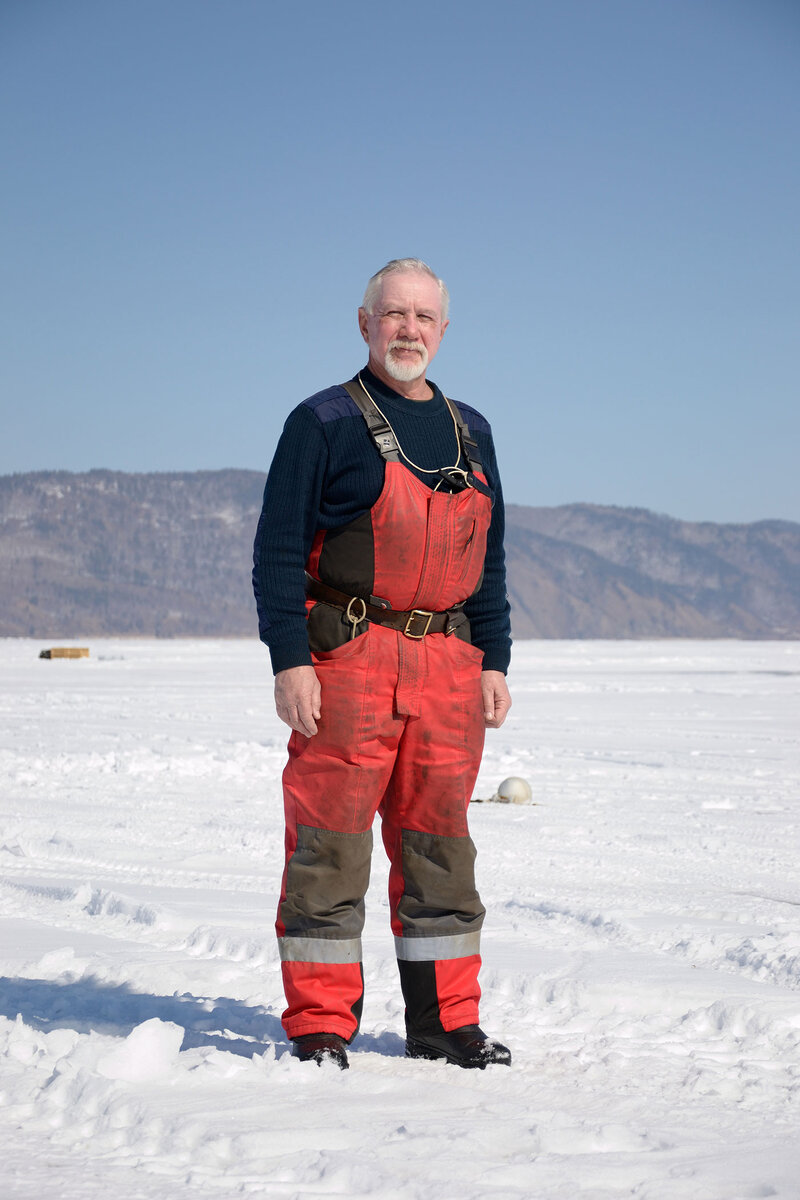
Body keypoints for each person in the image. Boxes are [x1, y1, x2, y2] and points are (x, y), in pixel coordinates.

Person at [252, 258, 512, 1070]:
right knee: (330, 846)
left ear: (443, 329)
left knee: (440, 848)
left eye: (423, 317)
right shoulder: (322, 422)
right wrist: (290, 661)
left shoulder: (473, 431)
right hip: (350, 661)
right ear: (364, 324)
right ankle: (321, 1026)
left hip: (448, 663)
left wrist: (494, 659)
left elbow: (491, 559)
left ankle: (445, 1024)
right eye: (392, 315)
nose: (409, 330)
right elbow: (278, 551)